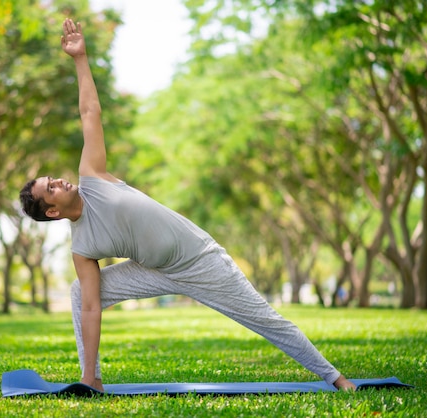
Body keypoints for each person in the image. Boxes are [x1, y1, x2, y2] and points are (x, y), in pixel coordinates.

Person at [19, 18, 356, 393]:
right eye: (51, 187)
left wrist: (80, 59)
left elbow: (89, 114)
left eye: (53, 178)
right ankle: (91, 380)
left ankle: (337, 379)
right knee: (82, 293)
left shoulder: (93, 177)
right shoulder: (82, 247)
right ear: (52, 211)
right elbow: (91, 309)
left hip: (200, 260)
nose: (60, 181)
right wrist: (87, 375)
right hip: (154, 270)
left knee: (265, 320)